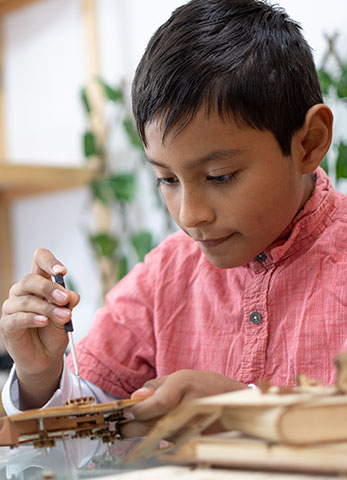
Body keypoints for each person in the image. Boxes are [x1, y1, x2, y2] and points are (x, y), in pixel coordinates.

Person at [1, 0, 346, 440]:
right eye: (166, 178)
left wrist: (251, 413)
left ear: (310, 143)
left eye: (221, 176)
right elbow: (89, 423)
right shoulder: (164, 276)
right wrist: (39, 375)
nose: (190, 215)